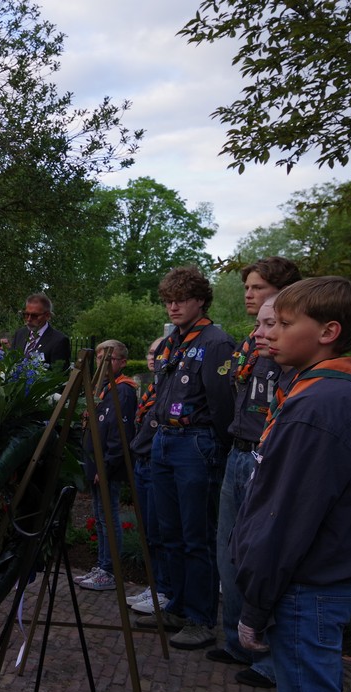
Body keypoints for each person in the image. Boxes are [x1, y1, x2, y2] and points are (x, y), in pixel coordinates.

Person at [231, 276, 351, 692]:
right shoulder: (321, 393)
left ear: (328, 331)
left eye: (286, 324)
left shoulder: (318, 405)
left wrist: (255, 603)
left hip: (307, 587)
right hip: (315, 580)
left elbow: (286, 518)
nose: (272, 333)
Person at [209, 257, 300, 689]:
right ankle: (236, 642)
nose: (249, 293)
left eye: (258, 287)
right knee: (228, 550)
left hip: (265, 456)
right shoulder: (252, 342)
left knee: (260, 555)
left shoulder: (290, 348)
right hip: (238, 449)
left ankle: (268, 659)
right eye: (247, 286)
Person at [142, 267, 235, 650]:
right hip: (165, 440)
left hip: (195, 443)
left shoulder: (216, 342)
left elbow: (223, 404)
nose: (174, 306)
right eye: (168, 300)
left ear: (200, 300)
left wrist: (216, 446)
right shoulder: (172, 342)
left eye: (181, 299)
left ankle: (200, 618)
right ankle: (178, 607)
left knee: (197, 536)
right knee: (170, 532)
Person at [76, 340, 139, 592]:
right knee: (100, 517)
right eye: (100, 358)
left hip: (107, 465)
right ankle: (102, 565)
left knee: (108, 517)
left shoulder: (123, 391)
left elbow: (118, 432)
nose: (102, 363)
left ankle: (109, 570)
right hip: (95, 463)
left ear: (122, 362)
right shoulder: (102, 388)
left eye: (109, 359)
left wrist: (107, 465)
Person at [123, 336, 169, 615]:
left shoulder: (168, 387)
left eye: (159, 353)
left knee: (159, 531)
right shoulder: (153, 386)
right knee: (148, 531)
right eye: (151, 352)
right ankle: (154, 585)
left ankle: (163, 590)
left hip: (155, 462)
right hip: (142, 461)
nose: (154, 357)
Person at [9, 293, 71, 366]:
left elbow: (59, 371)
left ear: (47, 316)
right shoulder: (20, 334)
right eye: (26, 314)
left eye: (34, 316)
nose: (29, 319)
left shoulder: (59, 341)